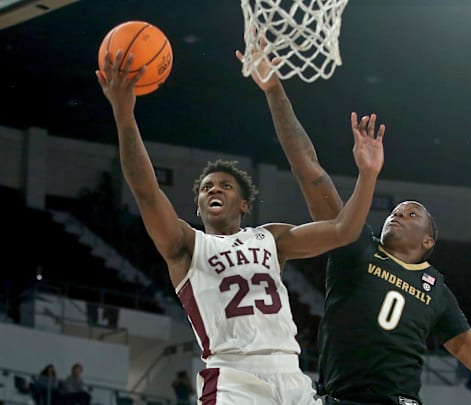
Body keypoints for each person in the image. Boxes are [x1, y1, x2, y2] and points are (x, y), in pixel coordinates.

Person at [242, 53, 471, 405]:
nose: (398, 214)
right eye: (397, 211)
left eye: (412, 214)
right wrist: (274, 90)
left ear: (429, 240)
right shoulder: (355, 245)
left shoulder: (436, 290)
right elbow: (309, 170)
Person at [96, 48, 383, 405]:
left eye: (225, 186)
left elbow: (343, 230)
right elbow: (147, 192)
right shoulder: (188, 245)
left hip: (291, 376)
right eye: (206, 188)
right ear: (199, 205)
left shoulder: (272, 238)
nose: (214, 189)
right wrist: (124, 116)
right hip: (233, 378)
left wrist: (367, 175)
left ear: (244, 204)